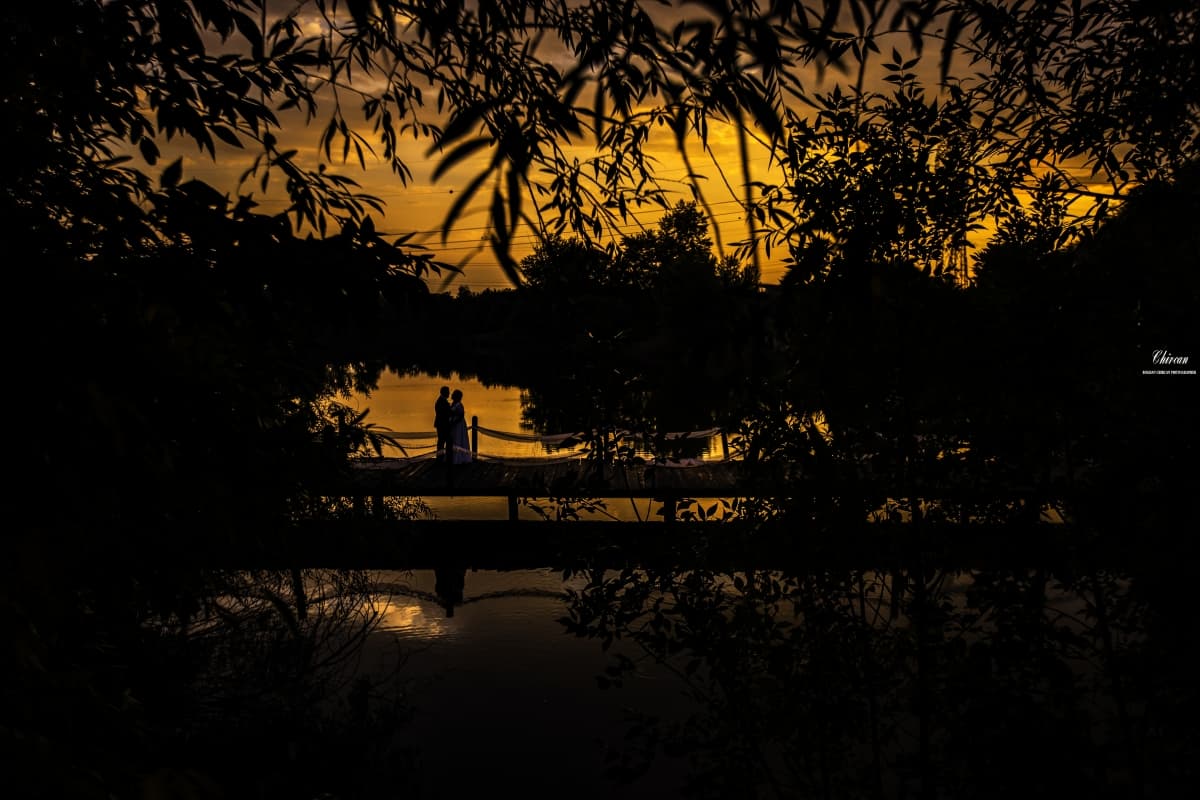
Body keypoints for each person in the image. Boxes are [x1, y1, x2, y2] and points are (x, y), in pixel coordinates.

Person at [447, 389, 472, 464]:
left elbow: (461, 416)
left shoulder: (459, 404)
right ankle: (452, 456)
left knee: (458, 438)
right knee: (453, 439)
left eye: (453, 394)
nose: (451, 395)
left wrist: (454, 422)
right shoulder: (453, 404)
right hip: (454, 424)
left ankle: (459, 458)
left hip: (458, 425)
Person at [433, 385, 451, 459]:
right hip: (442, 425)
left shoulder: (442, 401)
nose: (449, 393)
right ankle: (440, 457)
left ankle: (442, 457)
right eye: (448, 392)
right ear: (444, 393)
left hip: (442, 424)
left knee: (443, 441)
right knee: (442, 441)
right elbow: (444, 414)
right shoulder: (441, 402)